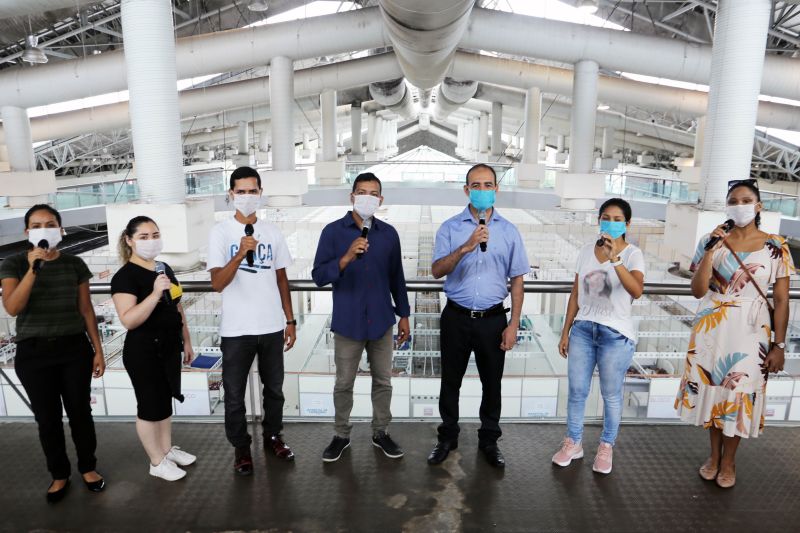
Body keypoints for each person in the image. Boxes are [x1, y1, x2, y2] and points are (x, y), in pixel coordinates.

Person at [675, 178, 793, 488]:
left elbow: (781, 300)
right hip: (712, 324)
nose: (739, 205)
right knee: (715, 390)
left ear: (758, 206)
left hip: (751, 330)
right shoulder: (710, 240)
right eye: (733, 200)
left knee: (740, 392)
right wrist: (712, 251)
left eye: (745, 200)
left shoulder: (776, 246)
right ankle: (714, 456)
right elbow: (698, 290)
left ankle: (729, 461)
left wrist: (779, 345)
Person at [0, 204, 106, 503]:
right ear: (26, 232)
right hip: (33, 353)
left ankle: (88, 467)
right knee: (47, 419)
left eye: (50, 223)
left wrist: (97, 350)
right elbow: (12, 307)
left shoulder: (74, 264)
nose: (43, 229)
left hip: (74, 348)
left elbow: (86, 310)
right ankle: (59, 474)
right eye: (36, 225)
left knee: (80, 413)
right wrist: (34, 269)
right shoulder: (14, 264)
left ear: (61, 229)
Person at [427, 163, 529, 468]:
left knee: (492, 383)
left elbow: (518, 281)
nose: (482, 191)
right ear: (466, 190)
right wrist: (467, 246)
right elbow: (436, 271)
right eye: (476, 185)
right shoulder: (449, 228)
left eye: (488, 185)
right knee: (450, 381)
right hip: (456, 317)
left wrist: (513, 325)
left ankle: (489, 440)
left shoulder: (510, 232)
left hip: (493, 319)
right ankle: (447, 437)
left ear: (496, 190)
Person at [312, 173, 411, 462]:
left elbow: (397, 279)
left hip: (381, 321)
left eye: (373, 193)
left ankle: (381, 432)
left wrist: (404, 315)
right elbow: (318, 276)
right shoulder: (332, 232)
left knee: (383, 381)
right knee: (344, 383)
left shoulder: (389, 234)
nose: (367, 197)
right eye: (362, 192)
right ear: (352, 196)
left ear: (380, 199)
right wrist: (345, 258)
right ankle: (341, 434)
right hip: (348, 323)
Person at [208, 166, 297, 475]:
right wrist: (239, 254)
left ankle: (273, 436)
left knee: (274, 390)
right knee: (233, 395)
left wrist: (291, 320)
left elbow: (282, 278)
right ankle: (241, 448)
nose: (247, 196)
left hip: (271, 326)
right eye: (241, 191)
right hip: (237, 330)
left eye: (252, 191)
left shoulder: (272, 232)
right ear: (231, 194)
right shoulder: (220, 232)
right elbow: (217, 283)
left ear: (261, 193)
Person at [552, 198, 645, 475]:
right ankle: (573, 442)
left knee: (611, 395)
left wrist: (615, 259)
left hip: (615, 334)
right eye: (606, 217)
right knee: (577, 391)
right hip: (583, 328)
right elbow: (576, 294)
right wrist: (565, 330)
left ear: (627, 224)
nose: (611, 222)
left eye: (618, 219)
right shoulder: (584, 252)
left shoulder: (632, 255)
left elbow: (636, 290)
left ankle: (606, 445)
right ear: (599, 220)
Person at [111, 217, 196, 481]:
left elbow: (177, 305)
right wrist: (153, 294)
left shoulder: (163, 268)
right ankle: (156, 461)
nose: (151, 241)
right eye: (144, 236)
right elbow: (129, 319)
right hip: (144, 350)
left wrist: (187, 340)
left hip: (169, 345)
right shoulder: (124, 277)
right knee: (149, 406)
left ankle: (167, 450)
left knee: (164, 400)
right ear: (129, 240)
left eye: (155, 235)